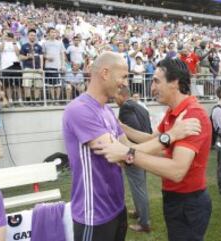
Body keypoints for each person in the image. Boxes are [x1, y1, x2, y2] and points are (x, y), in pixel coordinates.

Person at [62, 52, 199, 241]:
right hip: (93, 214)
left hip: (116, 208)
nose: (125, 83)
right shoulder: (80, 110)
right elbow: (116, 155)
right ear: (105, 73)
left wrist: (133, 147)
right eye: (123, 76)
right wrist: (171, 136)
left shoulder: (107, 110)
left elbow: (126, 150)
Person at [93, 57, 212, 241]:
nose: (152, 88)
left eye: (156, 81)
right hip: (175, 198)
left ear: (175, 83)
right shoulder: (173, 113)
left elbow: (177, 171)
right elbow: (153, 140)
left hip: (189, 202)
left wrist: (128, 154)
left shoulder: (192, 115)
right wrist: (121, 127)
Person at [115, 86, 152, 233]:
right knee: (139, 186)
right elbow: (148, 131)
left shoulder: (125, 107)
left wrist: (128, 152)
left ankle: (144, 223)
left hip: (134, 153)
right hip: (144, 150)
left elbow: (133, 130)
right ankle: (139, 212)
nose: (114, 98)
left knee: (138, 188)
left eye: (116, 96)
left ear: (122, 95)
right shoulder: (140, 106)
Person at [20, 29, 43, 104]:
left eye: (34, 35)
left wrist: (41, 68)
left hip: (37, 68)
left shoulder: (39, 46)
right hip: (27, 68)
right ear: (28, 36)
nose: (33, 37)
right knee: (27, 85)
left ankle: (36, 101)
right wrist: (27, 57)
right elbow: (20, 57)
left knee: (38, 86)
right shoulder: (24, 46)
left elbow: (41, 58)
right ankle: (28, 101)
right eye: (31, 35)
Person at [42, 28, 66, 103]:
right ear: (48, 33)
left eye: (55, 32)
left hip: (57, 66)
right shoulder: (45, 43)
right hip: (48, 66)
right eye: (52, 32)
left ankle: (57, 99)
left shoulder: (60, 43)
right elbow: (42, 54)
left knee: (57, 84)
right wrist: (47, 57)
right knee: (50, 84)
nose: (53, 33)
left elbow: (62, 54)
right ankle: (53, 99)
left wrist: (63, 65)